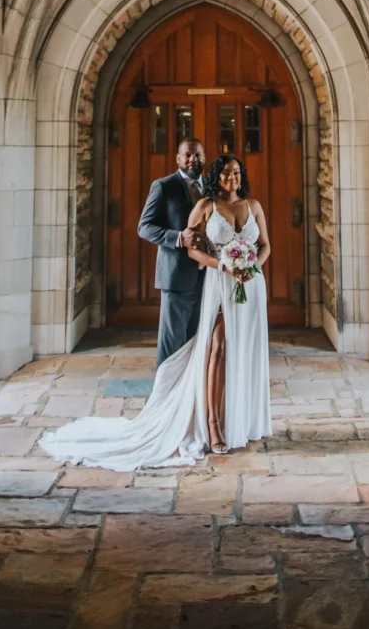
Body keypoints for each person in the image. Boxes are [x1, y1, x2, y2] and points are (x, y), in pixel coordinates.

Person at [39, 155, 271, 469]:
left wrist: (252, 266)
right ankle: (213, 424)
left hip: (251, 286)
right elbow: (192, 248)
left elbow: (265, 245)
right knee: (217, 347)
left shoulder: (254, 206)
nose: (232, 177)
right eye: (227, 173)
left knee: (241, 351)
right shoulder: (205, 206)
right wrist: (226, 265)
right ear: (217, 177)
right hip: (219, 283)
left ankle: (240, 420)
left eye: (237, 173)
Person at [137, 137, 207, 368]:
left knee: (197, 341)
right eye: (187, 155)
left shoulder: (212, 187)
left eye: (197, 155)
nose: (192, 159)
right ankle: (165, 397)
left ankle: (189, 397)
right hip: (177, 277)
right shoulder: (164, 186)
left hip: (209, 277)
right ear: (178, 158)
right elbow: (144, 227)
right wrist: (178, 238)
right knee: (172, 344)